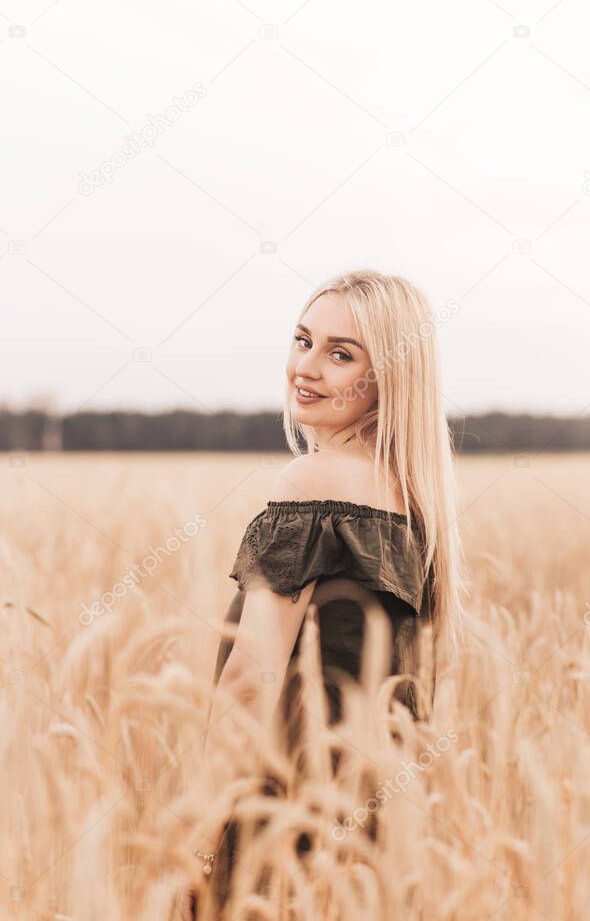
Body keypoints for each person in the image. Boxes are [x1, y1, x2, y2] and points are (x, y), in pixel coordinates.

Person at [176, 268, 468, 919]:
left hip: (283, 819)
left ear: (389, 378)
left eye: (341, 354)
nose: (305, 367)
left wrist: (197, 832)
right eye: (303, 340)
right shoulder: (413, 498)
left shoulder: (314, 480)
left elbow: (249, 680)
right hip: (371, 824)